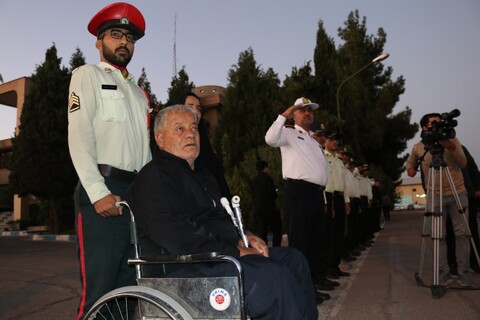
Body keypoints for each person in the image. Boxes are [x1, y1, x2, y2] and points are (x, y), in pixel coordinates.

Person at [127, 105, 319, 319]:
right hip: (185, 265)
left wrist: (245, 237)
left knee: (294, 260)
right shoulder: (155, 176)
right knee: (275, 276)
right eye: (179, 129)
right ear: (160, 139)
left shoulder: (203, 176)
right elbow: (178, 235)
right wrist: (235, 252)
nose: (190, 133)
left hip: (217, 257)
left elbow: (220, 220)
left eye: (193, 128)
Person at [67, 3, 151, 318]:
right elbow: (79, 135)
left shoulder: (139, 93)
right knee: (100, 291)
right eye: (115, 34)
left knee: (131, 290)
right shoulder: (86, 76)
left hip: (135, 195)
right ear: (99, 42)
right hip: (103, 189)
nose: (124, 42)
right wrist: (96, 190)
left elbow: (144, 152)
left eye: (129, 37)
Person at [265, 97, 337, 296]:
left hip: (315, 194)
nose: (307, 113)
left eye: (310, 110)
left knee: (316, 241)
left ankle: (315, 281)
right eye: (302, 110)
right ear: (295, 114)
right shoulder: (287, 133)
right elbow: (269, 139)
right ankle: (303, 291)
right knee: (300, 243)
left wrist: (322, 199)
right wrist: (284, 114)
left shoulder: (314, 140)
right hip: (298, 193)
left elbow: (320, 172)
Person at [405, 112, 474, 287]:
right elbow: (410, 164)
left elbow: (463, 163)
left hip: (457, 192)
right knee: (438, 236)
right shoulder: (419, 147)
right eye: (435, 122)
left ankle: (463, 272)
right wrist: (411, 169)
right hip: (435, 195)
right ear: (425, 127)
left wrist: (451, 147)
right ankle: (442, 271)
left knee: (462, 234)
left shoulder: (453, 141)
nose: (440, 125)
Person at [183, 92, 232, 199]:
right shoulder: (168, 148)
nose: (195, 111)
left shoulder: (205, 145)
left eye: (198, 108)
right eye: (190, 107)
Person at [322, 130, 353, 279]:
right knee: (330, 234)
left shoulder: (339, 161)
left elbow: (344, 183)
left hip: (340, 197)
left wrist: (346, 201)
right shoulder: (321, 156)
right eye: (332, 139)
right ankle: (327, 267)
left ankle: (335, 265)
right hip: (328, 196)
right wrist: (326, 202)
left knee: (339, 233)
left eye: (337, 140)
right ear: (325, 141)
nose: (335, 142)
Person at [251, 160, 283, 246]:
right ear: (265, 168)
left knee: (262, 231)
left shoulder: (254, 180)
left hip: (258, 209)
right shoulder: (267, 178)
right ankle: (276, 247)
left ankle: (263, 249)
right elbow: (272, 193)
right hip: (269, 208)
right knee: (276, 229)